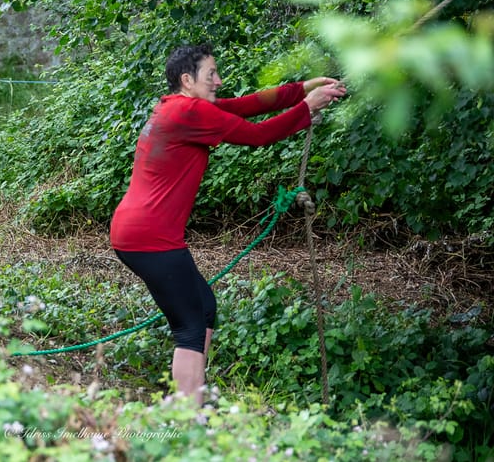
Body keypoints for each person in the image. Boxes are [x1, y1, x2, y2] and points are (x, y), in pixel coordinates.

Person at [109, 43, 346, 406]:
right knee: (188, 326)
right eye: (211, 75)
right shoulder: (189, 113)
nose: (219, 81)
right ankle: (189, 421)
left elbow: (247, 104)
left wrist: (300, 90)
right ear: (187, 80)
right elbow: (258, 135)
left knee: (204, 308)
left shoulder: (181, 108)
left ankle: (194, 399)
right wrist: (306, 109)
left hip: (139, 233)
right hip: (150, 238)